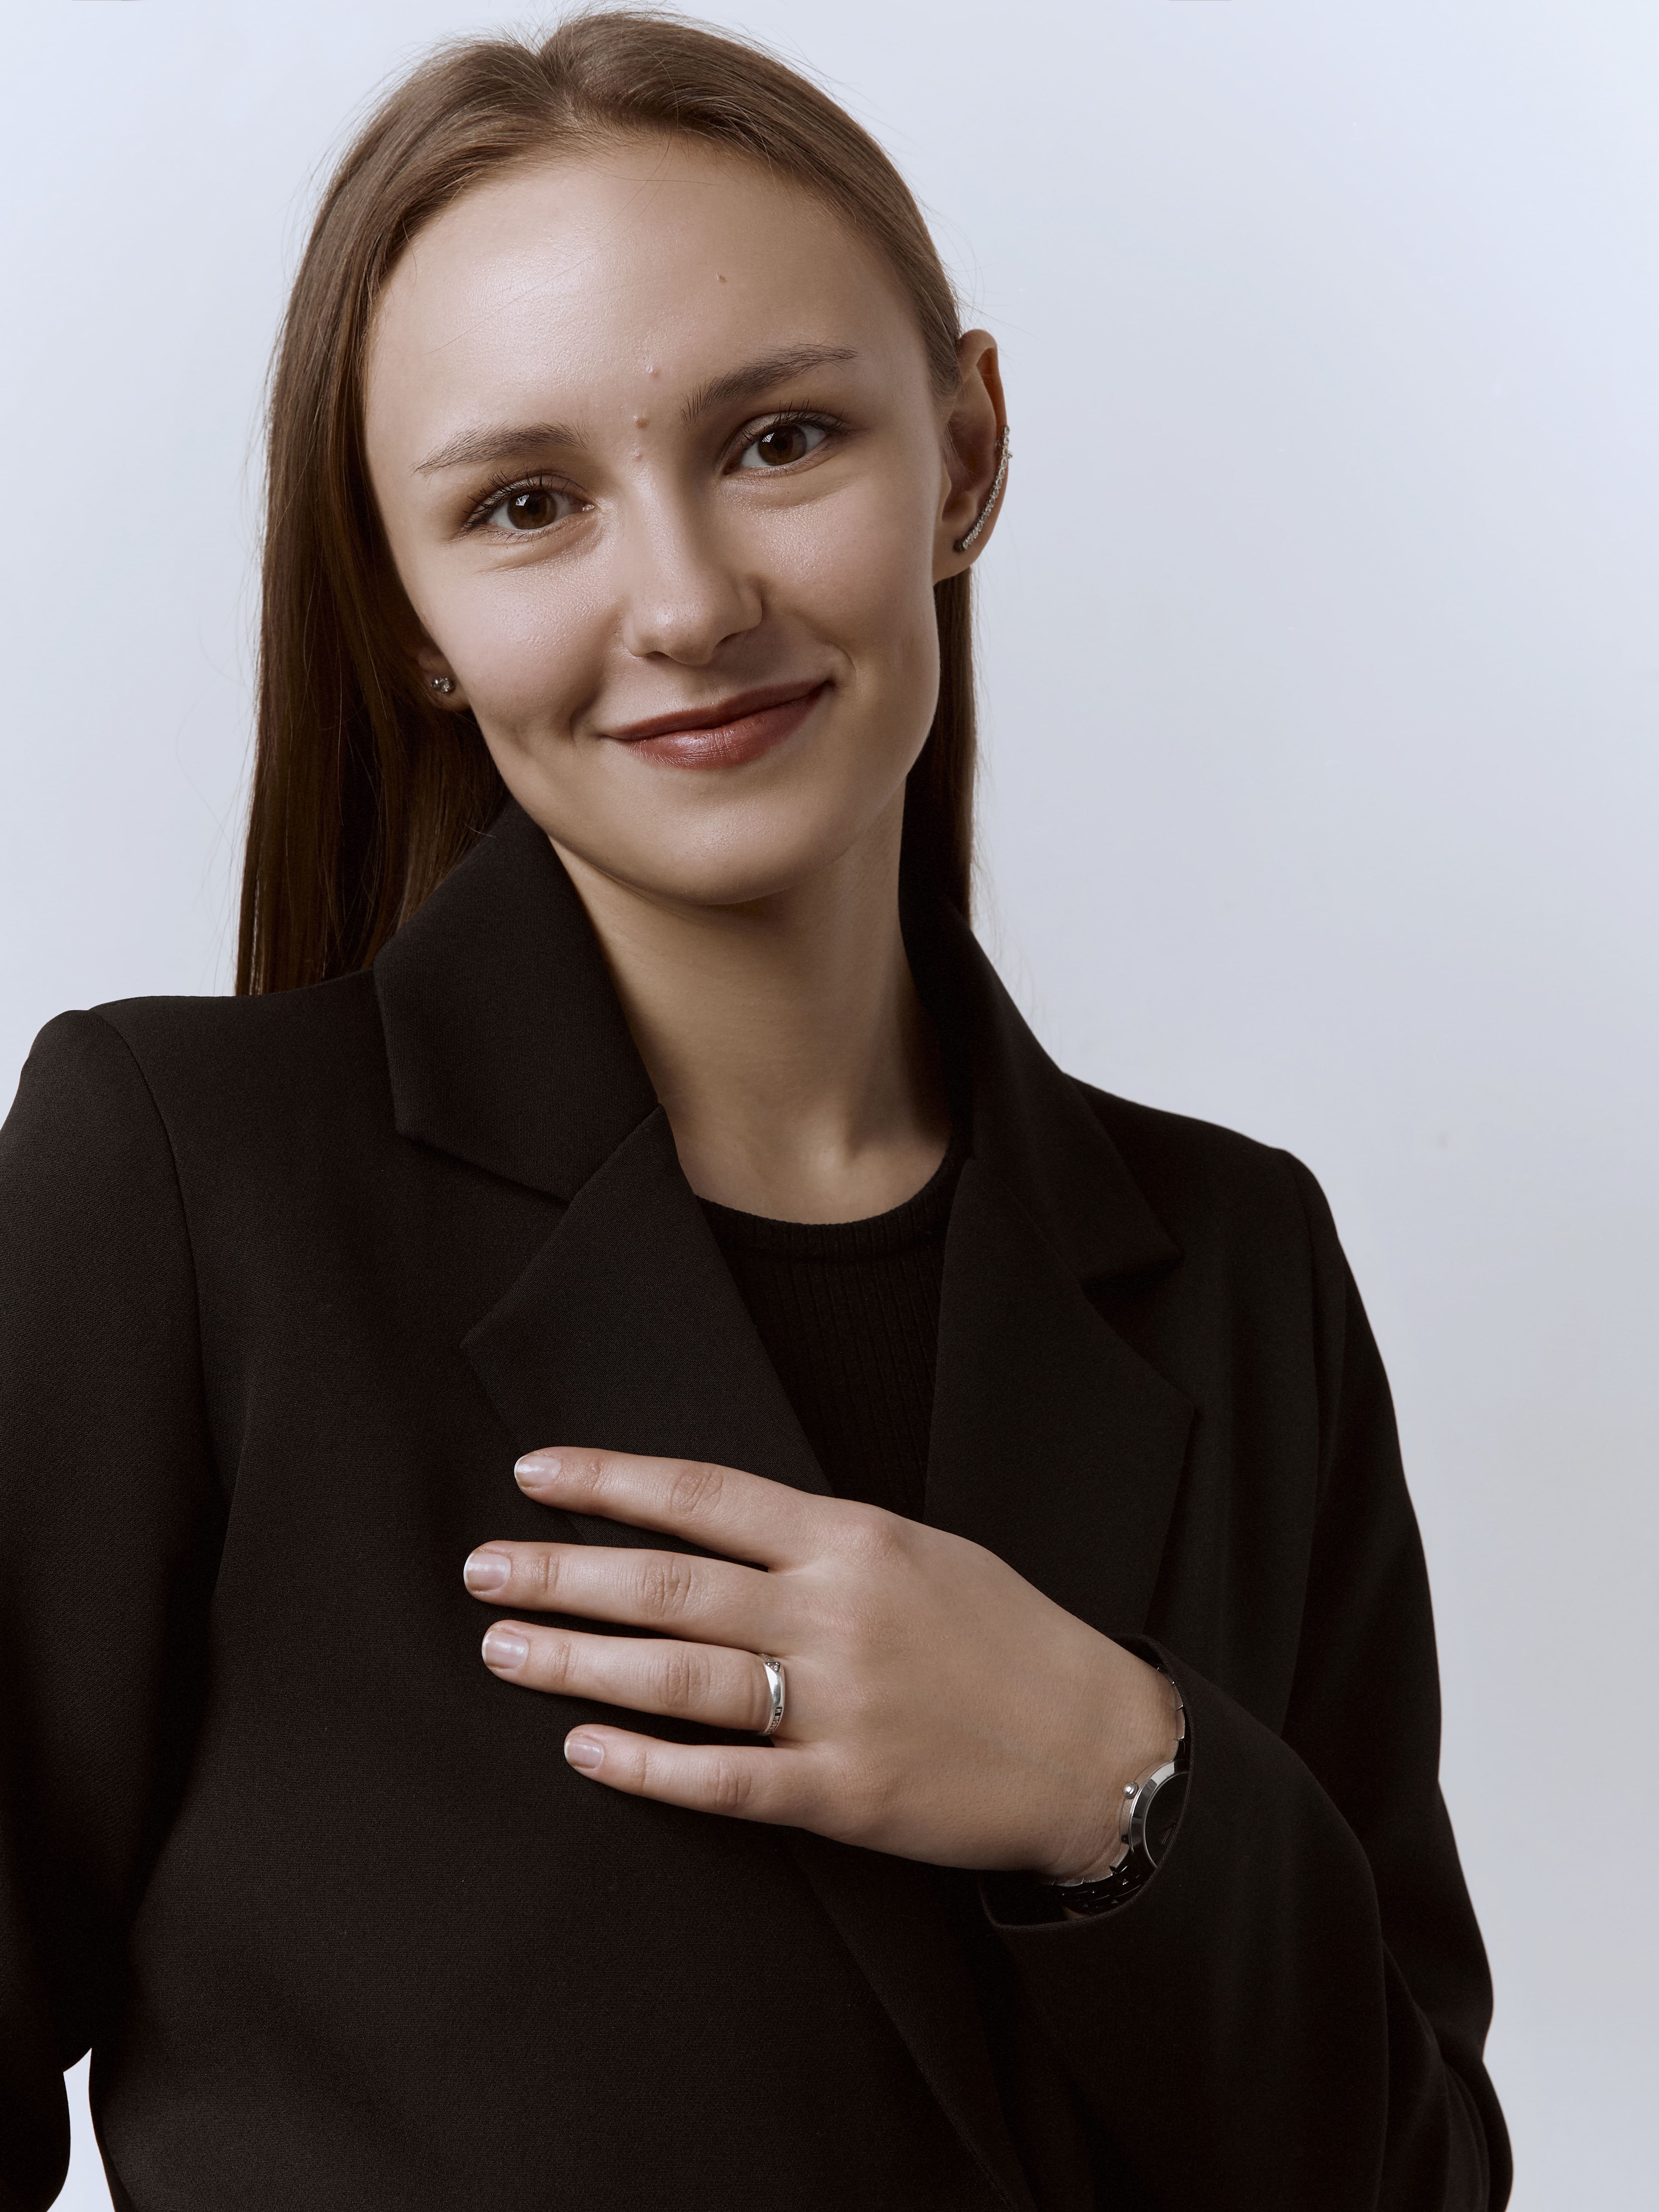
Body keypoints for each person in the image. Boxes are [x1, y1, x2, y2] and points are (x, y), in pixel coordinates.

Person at [0, 14, 1510, 2210]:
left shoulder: (1240, 1263)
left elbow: (1413, 2178)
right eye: (526, 505)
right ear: (407, 608)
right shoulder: (180, 1183)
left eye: (782, 439)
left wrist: (1120, 1783)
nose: (691, 604)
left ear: (966, 453)